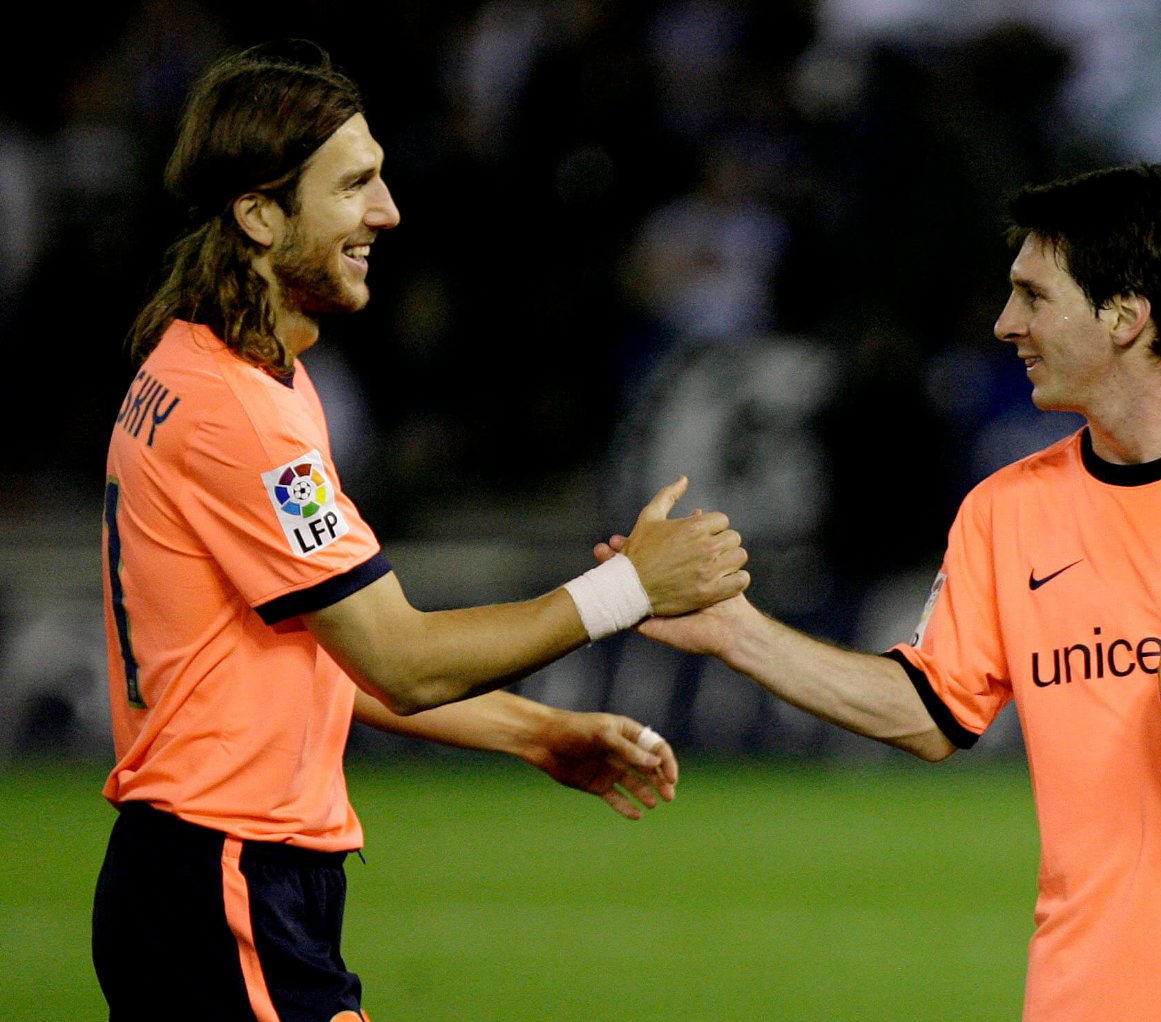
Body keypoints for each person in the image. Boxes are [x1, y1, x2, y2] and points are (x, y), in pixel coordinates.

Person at [607, 163, 1161, 1021]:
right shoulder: (1004, 511)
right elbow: (930, 711)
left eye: (1034, 296)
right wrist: (736, 632)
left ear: (1125, 314)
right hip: (1086, 997)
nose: (1006, 324)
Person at [94, 40, 750, 1021]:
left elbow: (330, 656)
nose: (387, 211)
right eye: (353, 184)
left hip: (215, 876)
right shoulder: (244, 414)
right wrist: (630, 589)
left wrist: (534, 730)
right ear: (260, 213)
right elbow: (398, 657)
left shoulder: (215, 367)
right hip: (226, 879)